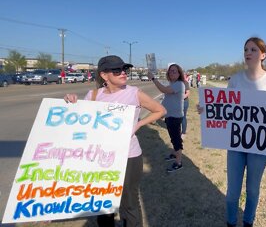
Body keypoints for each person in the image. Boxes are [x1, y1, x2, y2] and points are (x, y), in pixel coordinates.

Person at [199, 37, 266, 227]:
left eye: (253, 50)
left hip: (260, 147)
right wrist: (207, 110)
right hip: (236, 144)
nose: (248, 53)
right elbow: (225, 109)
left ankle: (248, 221)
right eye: (246, 49)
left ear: (263, 55)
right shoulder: (236, 79)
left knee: (253, 189)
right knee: (232, 192)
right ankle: (231, 222)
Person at [64, 55, 166, 227]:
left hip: (129, 156)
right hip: (100, 157)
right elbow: (81, 120)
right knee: (103, 201)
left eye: (124, 69)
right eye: (117, 70)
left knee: (129, 201)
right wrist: (71, 102)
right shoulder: (94, 95)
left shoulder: (134, 93)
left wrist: (138, 124)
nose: (123, 73)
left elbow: (160, 110)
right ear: (104, 75)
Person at [148, 64, 186, 172]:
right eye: (170, 71)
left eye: (175, 71)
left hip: (175, 116)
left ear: (179, 73)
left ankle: (179, 163)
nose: (172, 73)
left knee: (176, 139)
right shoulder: (173, 83)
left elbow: (164, 90)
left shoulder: (179, 84)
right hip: (170, 115)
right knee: (173, 137)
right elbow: (167, 96)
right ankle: (175, 154)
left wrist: (153, 79)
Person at [182, 73, 190, 139]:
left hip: (184, 102)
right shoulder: (175, 82)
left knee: (183, 117)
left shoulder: (185, 83)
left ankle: (183, 132)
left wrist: (181, 98)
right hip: (176, 103)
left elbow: (188, 93)